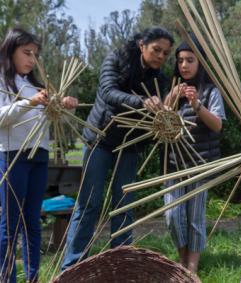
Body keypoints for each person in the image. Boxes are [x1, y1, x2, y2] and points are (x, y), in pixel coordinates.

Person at [61, 27, 174, 270]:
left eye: (165, 54)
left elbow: (153, 121)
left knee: (124, 203)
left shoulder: (160, 79)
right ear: (142, 44)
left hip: (130, 145)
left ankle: (121, 265)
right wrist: (143, 102)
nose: (161, 57)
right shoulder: (116, 59)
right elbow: (108, 93)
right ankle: (73, 267)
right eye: (156, 50)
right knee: (89, 203)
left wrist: (164, 122)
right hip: (100, 139)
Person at [0, 28, 78, 283]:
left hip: (39, 157)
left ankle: (33, 278)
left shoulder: (35, 85)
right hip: (12, 157)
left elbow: (49, 118)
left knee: (32, 222)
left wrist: (61, 105)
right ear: (10, 51)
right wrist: (30, 103)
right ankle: (6, 277)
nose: (32, 59)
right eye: (27, 53)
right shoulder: (3, 81)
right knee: (10, 224)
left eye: (35, 54)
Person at [163, 36, 226, 273]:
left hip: (200, 164)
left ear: (200, 63)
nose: (184, 65)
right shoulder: (173, 94)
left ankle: (191, 269)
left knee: (194, 219)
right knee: (172, 217)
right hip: (174, 164)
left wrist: (197, 104)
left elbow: (218, 125)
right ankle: (182, 261)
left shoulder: (210, 92)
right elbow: (159, 123)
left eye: (190, 60)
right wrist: (170, 100)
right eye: (180, 61)